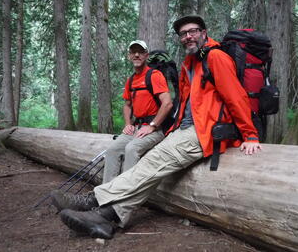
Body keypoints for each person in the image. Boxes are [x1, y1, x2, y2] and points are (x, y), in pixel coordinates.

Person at [50, 15, 262, 240]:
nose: (188, 36)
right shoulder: (190, 62)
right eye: (183, 33)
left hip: (206, 131)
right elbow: (185, 105)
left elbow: (235, 97)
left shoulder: (216, 57)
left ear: (204, 32)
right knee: (151, 168)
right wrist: (172, 130)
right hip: (185, 130)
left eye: (193, 31)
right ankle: (106, 217)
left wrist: (250, 135)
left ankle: (92, 199)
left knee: (151, 163)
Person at [104, 40, 173, 184]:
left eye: (140, 52)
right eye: (133, 52)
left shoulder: (154, 75)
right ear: (129, 56)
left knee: (131, 149)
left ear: (146, 55)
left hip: (156, 129)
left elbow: (167, 104)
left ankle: (124, 194)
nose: (136, 55)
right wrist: (128, 123)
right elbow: (127, 105)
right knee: (112, 150)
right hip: (137, 127)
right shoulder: (131, 81)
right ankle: (107, 192)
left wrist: (153, 125)